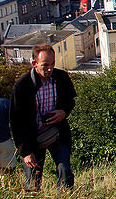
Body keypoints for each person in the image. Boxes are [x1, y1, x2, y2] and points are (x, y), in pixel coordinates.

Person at [10, 44, 77, 191]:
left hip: (57, 133)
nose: (49, 69)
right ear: (34, 63)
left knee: (64, 170)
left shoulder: (61, 78)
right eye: (45, 65)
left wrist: (64, 112)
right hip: (32, 139)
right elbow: (16, 121)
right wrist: (25, 151)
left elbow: (70, 100)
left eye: (52, 64)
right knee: (33, 179)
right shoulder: (22, 86)